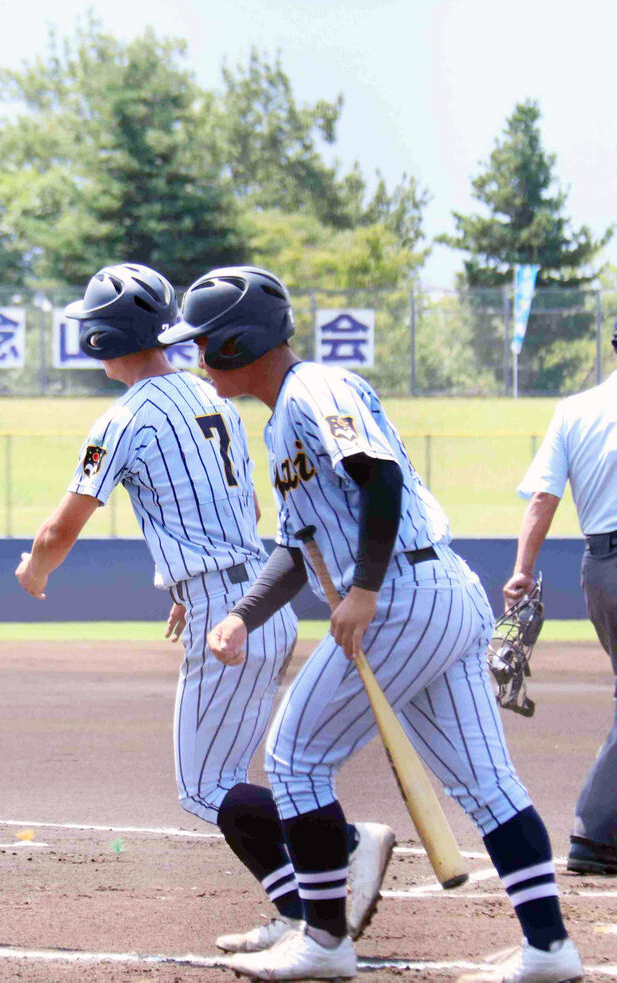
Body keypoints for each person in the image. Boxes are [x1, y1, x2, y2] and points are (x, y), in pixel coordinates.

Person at [172, 267, 583, 982]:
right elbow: (297, 550)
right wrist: (242, 616)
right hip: (428, 593)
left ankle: (325, 942)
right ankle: (550, 950)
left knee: (295, 758)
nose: (197, 358)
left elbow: (378, 475)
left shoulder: (317, 388)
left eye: (204, 343)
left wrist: (363, 589)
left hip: (402, 594)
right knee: (487, 781)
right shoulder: (282, 420)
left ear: (239, 342)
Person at [15, 263, 394, 956]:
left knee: (204, 786)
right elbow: (244, 507)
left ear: (105, 337)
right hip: (255, 595)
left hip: (228, 605)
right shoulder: (206, 390)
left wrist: (35, 569)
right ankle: (296, 908)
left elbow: (57, 532)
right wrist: (184, 590)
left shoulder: (123, 418)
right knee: (223, 777)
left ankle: (342, 843)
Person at [505, 343, 617, 877]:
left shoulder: (575, 410)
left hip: (601, 568)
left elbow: (542, 498)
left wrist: (522, 569)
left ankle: (599, 832)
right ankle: (595, 832)